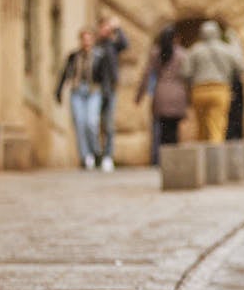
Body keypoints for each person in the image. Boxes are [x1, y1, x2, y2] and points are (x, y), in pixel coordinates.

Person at [54, 27, 114, 170]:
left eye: (89, 39)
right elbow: (65, 73)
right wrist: (59, 90)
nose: (86, 42)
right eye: (84, 39)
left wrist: (106, 94)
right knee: (80, 123)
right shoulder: (74, 56)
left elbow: (105, 77)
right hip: (77, 92)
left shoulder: (100, 56)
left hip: (94, 91)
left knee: (91, 122)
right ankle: (85, 156)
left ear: (92, 40)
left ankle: (96, 152)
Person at [135, 24, 189, 165]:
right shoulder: (182, 54)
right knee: (174, 131)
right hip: (177, 94)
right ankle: (173, 161)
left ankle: (159, 160)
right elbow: (188, 75)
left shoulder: (155, 53)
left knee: (161, 131)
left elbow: (147, 75)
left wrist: (139, 95)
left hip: (161, 94)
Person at [182, 20, 244, 143]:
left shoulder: (195, 50)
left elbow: (186, 72)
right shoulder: (226, 49)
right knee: (217, 126)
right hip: (219, 89)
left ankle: (202, 151)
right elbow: (240, 67)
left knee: (201, 127)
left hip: (199, 90)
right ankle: (215, 152)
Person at [94, 14, 129, 172]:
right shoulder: (96, 45)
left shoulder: (113, 44)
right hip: (95, 89)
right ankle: (96, 154)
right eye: (103, 27)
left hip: (110, 89)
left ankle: (108, 156)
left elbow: (125, 44)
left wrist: (118, 28)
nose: (105, 30)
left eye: (108, 27)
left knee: (108, 124)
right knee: (94, 123)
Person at [224, 28, 244, 141]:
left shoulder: (228, 48)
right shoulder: (237, 48)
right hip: (235, 83)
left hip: (230, 83)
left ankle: (232, 135)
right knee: (236, 111)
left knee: (232, 111)